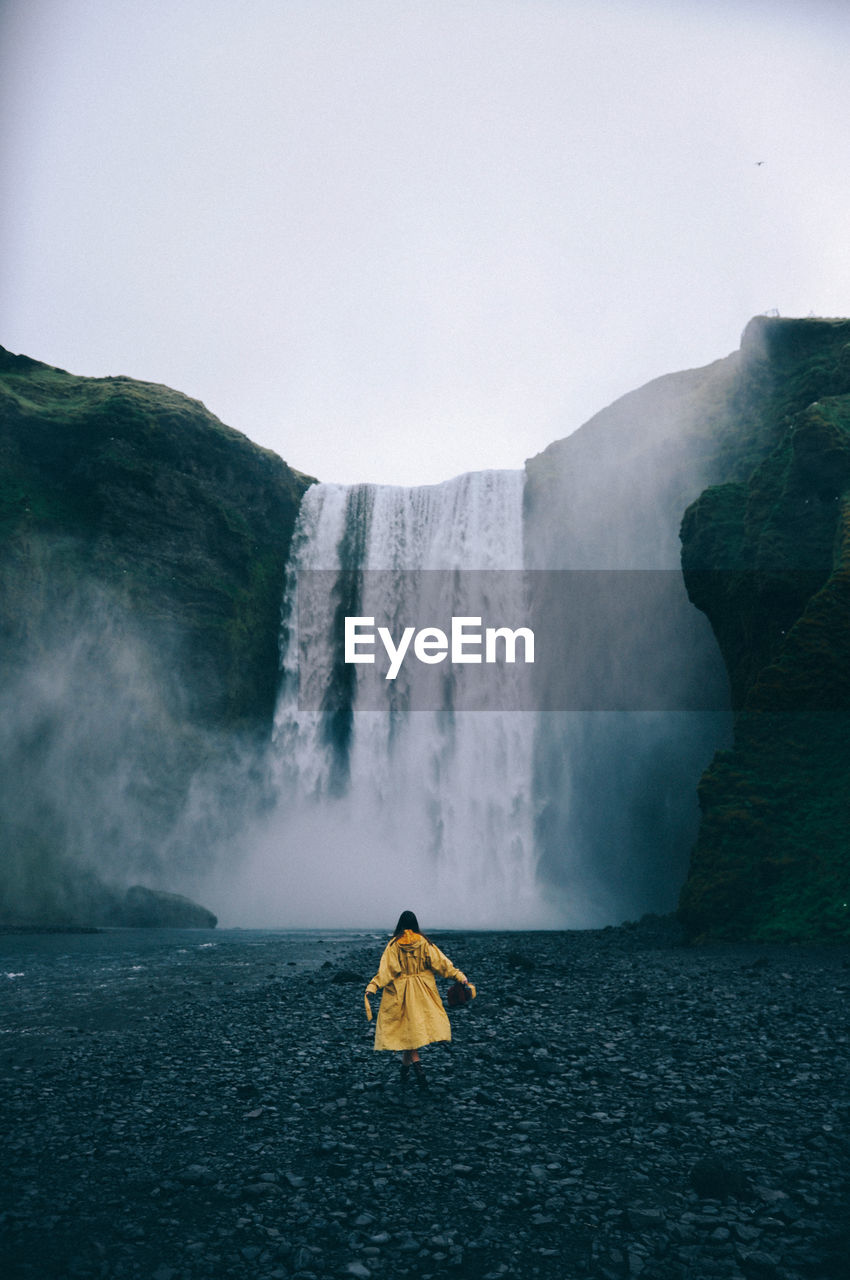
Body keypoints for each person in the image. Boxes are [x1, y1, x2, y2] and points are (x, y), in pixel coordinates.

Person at [364, 910, 476, 1090]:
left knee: (409, 1033)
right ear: (415, 923)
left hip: (401, 994)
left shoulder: (393, 945)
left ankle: (418, 1073)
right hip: (423, 992)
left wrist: (372, 987)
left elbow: (386, 971)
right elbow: (441, 963)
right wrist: (459, 976)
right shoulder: (424, 942)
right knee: (412, 1033)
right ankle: (406, 1071)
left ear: (400, 924)